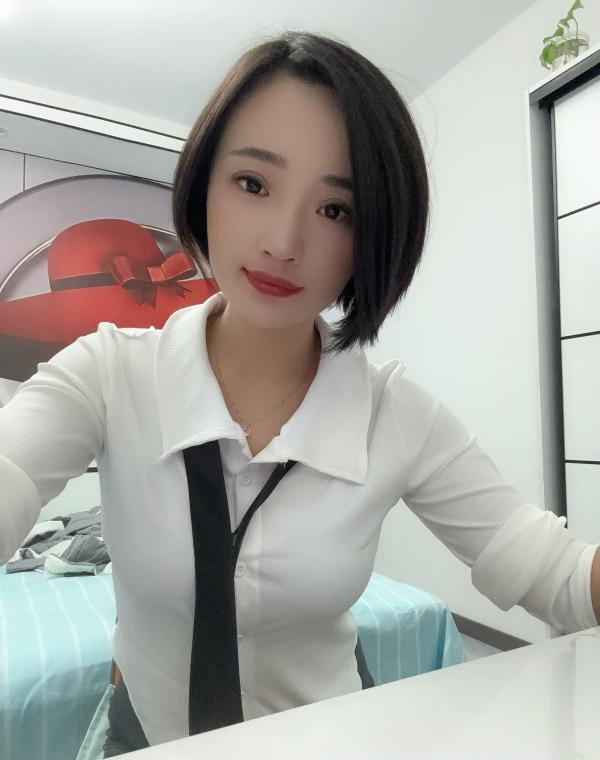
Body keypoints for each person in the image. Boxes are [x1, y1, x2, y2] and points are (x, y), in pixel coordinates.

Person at [1, 30, 599, 758]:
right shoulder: (106, 373)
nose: (284, 243)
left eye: (336, 210)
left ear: (373, 236)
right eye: (254, 184)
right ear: (204, 184)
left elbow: (560, 576)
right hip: (150, 734)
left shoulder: (396, 414)